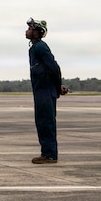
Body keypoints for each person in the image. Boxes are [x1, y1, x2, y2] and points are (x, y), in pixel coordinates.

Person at [26, 18, 69, 164]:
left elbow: (54, 67)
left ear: (36, 32)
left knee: (46, 123)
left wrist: (58, 86)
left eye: (30, 28)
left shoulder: (41, 47)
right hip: (40, 92)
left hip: (45, 92)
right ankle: (47, 153)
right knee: (41, 122)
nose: (27, 31)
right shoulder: (34, 48)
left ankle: (49, 155)